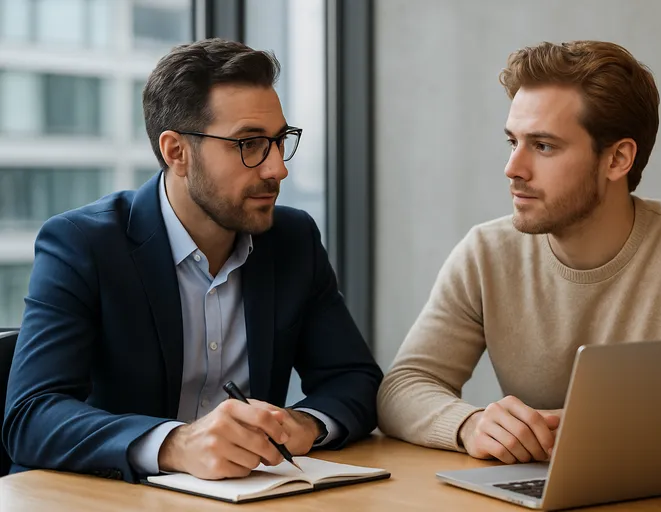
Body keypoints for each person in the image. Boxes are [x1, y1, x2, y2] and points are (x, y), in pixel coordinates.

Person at [3, 38, 382, 482]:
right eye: (250, 144)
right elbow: (31, 415)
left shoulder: (292, 239)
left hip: (247, 497)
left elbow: (355, 379)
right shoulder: (83, 244)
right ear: (176, 152)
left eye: (280, 141)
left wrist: (303, 424)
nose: (276, 168)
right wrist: (175, 444)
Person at [377, 40, 661, 464]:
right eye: (513, 142)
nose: (513, 168)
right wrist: (469, 424)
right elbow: (404, 386)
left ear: (618, 159)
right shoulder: (486, 252)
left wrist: (589, 432)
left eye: (543, 146)